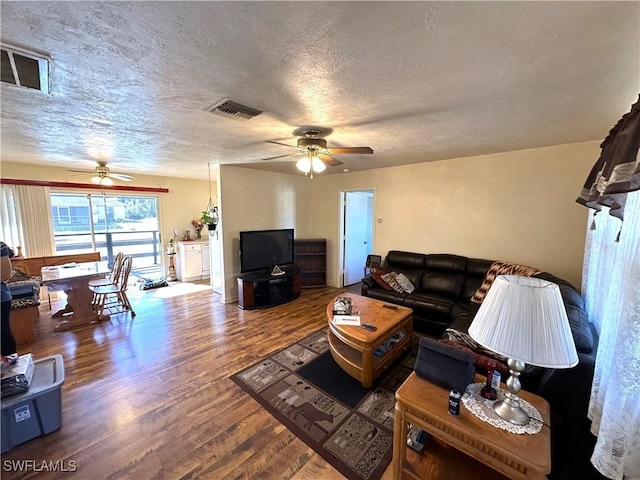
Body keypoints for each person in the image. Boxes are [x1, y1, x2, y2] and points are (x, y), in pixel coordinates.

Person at [1, 241, 18, 365]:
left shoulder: (1, 247)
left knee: (3, 332)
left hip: (1, 298)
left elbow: (5, 274)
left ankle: (11, 365)